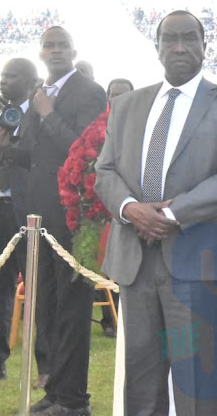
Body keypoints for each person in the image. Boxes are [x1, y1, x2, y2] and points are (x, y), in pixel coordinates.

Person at [95, 10, 217, 415]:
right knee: (141, 384)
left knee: (196, 385)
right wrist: (132, 210)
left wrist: (170, 215)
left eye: (189, 38)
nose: (179, 46)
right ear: (157, 47)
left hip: (198, 265)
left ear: (204, 45)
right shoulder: (127, 104)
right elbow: (105, 170)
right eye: (170, 39)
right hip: (137, 263)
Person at [0, 26, 107, 416]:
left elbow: (84, 148)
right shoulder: (42, 90)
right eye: (49, 45)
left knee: (73, 312)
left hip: (72, 220)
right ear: (40, 52)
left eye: (62, 45)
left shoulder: (88, 92)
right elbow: (36, 157)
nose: (55, 51)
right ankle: (56, 393)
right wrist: (7, 150)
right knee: (47, 310)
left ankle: (75, 400)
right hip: (37, 219)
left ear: (74, 50)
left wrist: (48, 114)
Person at [0, 59, 50, 386]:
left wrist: (12, 144)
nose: (4, 81)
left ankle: (47, 367)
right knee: (0, 287)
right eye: (2, 76)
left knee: (38, 289)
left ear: (32, 81)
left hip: (30, 212)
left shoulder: (39, 115)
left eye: (12, 76)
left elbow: (40, 159)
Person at [97, 77, 134, 338]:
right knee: (103, 267)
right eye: (113, 94)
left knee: (124, 267)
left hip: (127, 212)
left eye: (122, 94)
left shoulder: (141, 125)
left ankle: (123, 317)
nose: (116, 99)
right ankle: (108, 318)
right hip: (100, 212)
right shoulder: (96, 127)